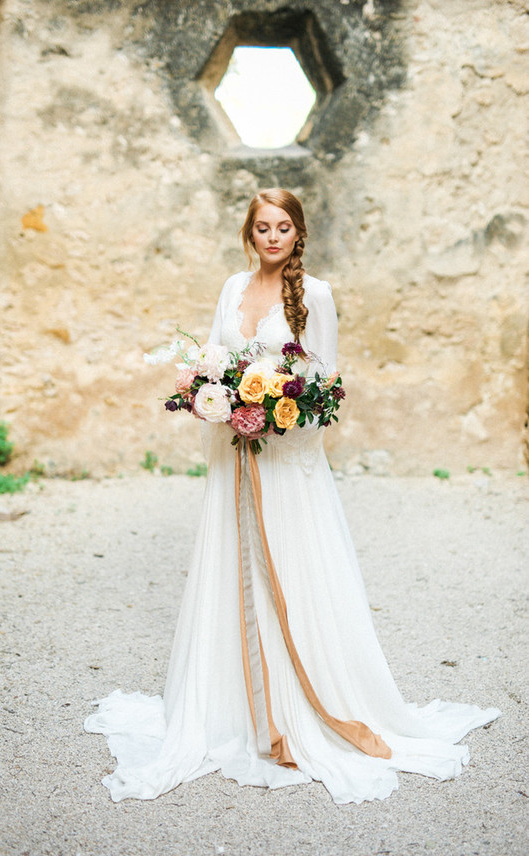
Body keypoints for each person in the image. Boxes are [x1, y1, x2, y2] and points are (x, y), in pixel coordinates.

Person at [85, 188, 500, 804]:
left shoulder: (318, 296)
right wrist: (214, 395)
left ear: (298, 233)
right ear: (248, 235)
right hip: (234, 454)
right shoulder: (232, 288)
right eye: (261, 227)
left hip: (287, 462)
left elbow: (327, 384)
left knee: (295, 572)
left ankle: (308, 700)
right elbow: (211, 358)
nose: (272, 237)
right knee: (232, 568)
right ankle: (230, 704)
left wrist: (276, 414)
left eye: (283, 227)